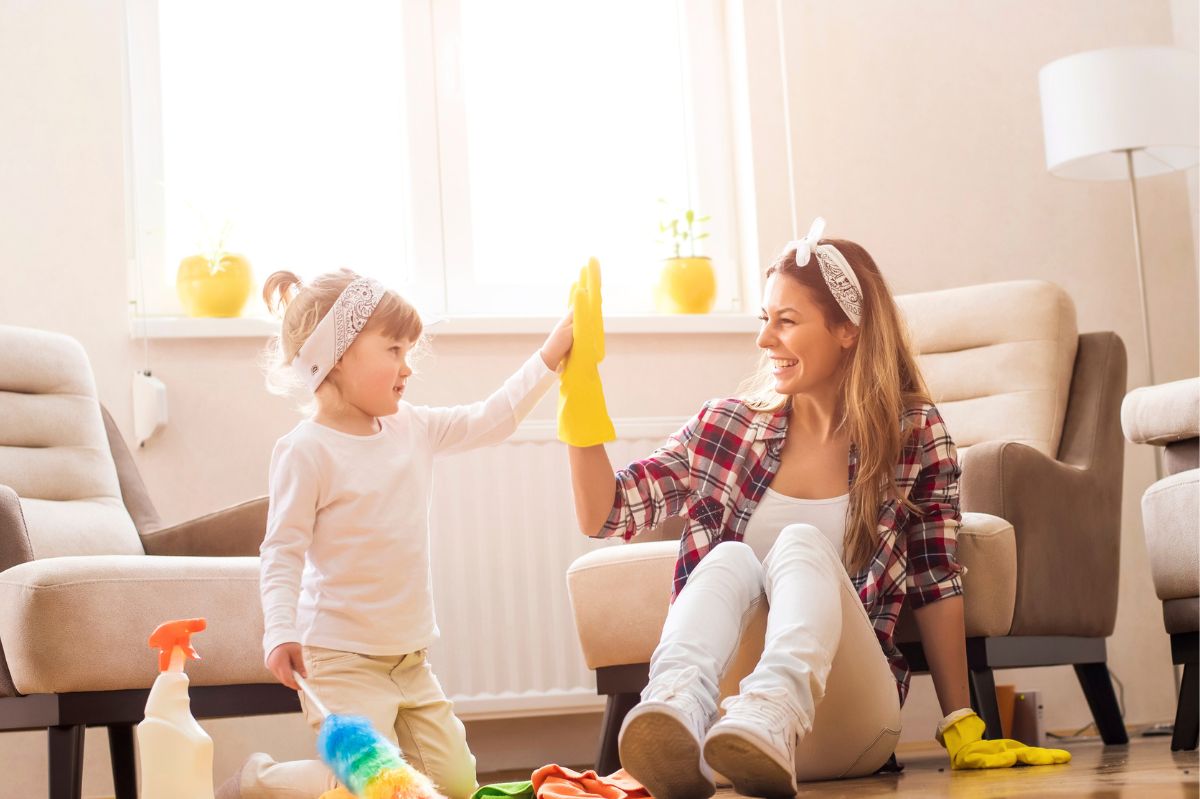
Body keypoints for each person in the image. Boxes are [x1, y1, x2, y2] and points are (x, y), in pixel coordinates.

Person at [562, 219, 1069, 799]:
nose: (764, 339)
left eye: (786, 321)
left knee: (800, 544)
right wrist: (581, 397)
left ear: (847, 330)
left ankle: (774, 710)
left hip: (847, 721)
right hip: (723, 735)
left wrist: (962, 723)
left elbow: (936, 581)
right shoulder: (725, 427)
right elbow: (606, 514)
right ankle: (674, 705)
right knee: (727, 559)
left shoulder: (914, 433)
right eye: (763, 319)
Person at [218, 268, 573, 799]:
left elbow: (492, 419)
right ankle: (259, 783)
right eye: (394, 350)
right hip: (339, 659)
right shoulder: (306, 449)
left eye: (409, 351)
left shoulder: (414, 427)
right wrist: (280, 631)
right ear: (337, 356)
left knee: (457, 786)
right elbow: (282, 551)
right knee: (374, 788)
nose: (407, 367)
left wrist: (551, 355)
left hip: (410, 660)